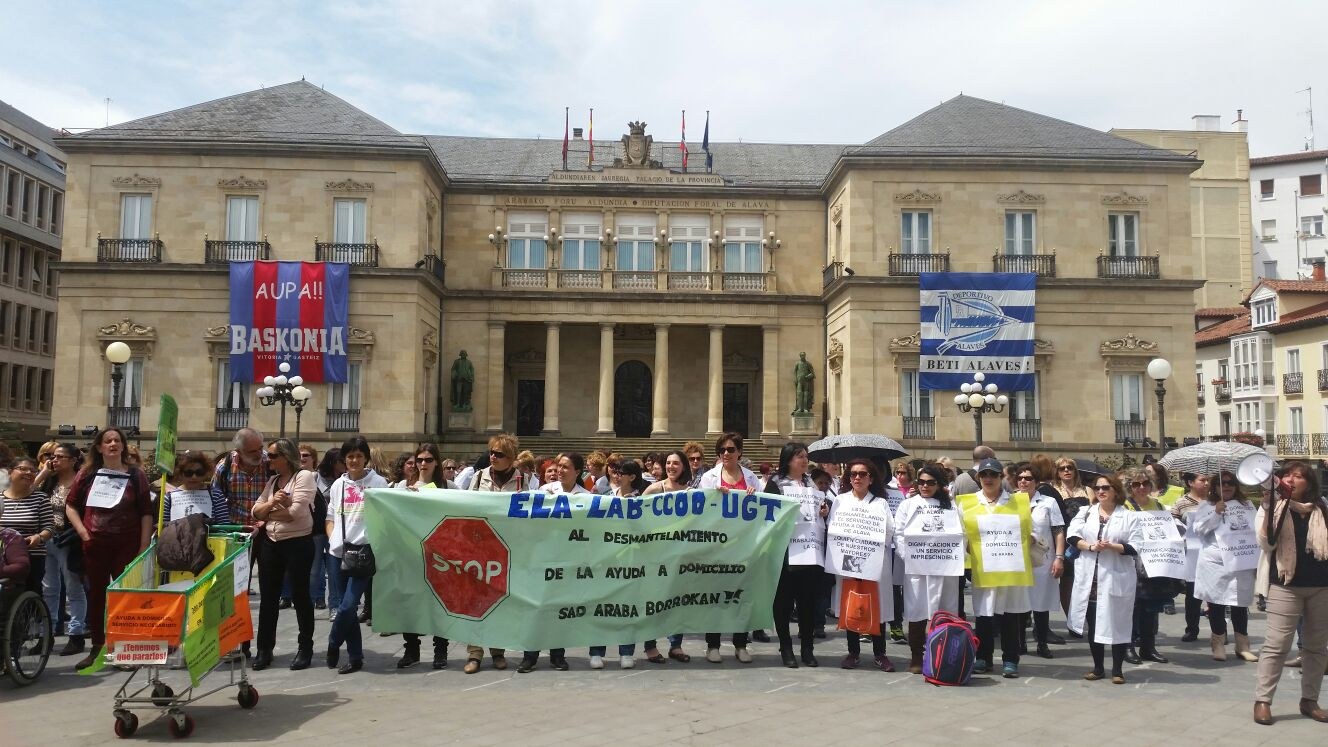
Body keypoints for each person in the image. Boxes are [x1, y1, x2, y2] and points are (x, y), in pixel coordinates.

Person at [65, 427, 154, 671]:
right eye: (108, 441)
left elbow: (147, 512)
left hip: (127, 543)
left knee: (125, 596)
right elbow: (70, 506)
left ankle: (124, 647)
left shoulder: (136, 475)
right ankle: (97, 647)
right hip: (96, 543)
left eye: (117, 440)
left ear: (123, 446)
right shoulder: (87, 474)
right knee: (96, 596)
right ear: (99, 447)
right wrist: (83, 533)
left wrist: (144, 544)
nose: (113, 444)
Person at [1253, 461, 1328, 725]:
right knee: (1276, 645)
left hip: (1320, 585)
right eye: (1288, 475)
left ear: (1309, 483)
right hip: (1285, 584)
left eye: (1299, 476)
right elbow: (1266, 543)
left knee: (1316, 647)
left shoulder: (1321, 508)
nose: (1293, 480)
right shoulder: (1271, 506)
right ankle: (1263, 700)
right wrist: (1274, 504)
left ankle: (1310, 700)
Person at [957, 458, 1030, 678]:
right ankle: (983, 657)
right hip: (982, 566)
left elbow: (1027, 532)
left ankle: (1010, 659)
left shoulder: (1017, 502)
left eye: (994, 475)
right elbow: (960, 534)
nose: (989, 479)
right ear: (979, 478)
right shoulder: (967, 503)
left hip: (1009, 566)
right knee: (984, 614)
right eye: (984, 475)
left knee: (1010, 615)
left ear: (1001, 478)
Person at [1067, 473, 1140, 684]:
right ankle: (1098, 667)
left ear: (1116, 491)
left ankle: (1117, 670)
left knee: (1117, 623)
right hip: (1091, 578)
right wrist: (1090, 546)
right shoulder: (1086, 512)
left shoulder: (1128, 516)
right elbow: (1073, 535)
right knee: (1094, 623)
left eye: (1106, 488)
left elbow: (1136, 546)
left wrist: (1112, 546)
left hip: (1116, 576)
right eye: (1098, 488)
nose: (1101, 491)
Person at [326, 435, 388, 674]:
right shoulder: (338, 485)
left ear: (366, 458)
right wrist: (333, 538)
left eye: (359, 456)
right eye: (350, 456)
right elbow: (330, 516)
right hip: (338, 552)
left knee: (347, 606)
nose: (354, 460)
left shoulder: (378, 483)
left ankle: (333, 643)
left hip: (364, 552)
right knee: (346, 608)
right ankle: (355, 656)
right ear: (344, 459)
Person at [252, 439, 316, 671]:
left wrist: (267, 513)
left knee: (300, 595)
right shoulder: (272, 481)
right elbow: (254, 510)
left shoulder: (304, 477)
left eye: (271, 455)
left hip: (298, 542)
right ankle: (264, 648)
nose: (267, 459)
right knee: (268, 597)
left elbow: (295, 513)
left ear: (285, 457)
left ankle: (305, 647)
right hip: (271, 542)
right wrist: (271, 505)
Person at [763, 442, 829, 668]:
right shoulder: (776, 483)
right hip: (786, 553)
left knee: (807, 602)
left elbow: (821, 509)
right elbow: (767, 515)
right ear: (788, 459)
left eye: (805, 456)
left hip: (810, 552)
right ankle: (786, 646)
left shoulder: (811, 483)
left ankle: (807, 648)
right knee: (783, 602)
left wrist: (823, 510)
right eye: (799, 456)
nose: (803, 460)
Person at [463, 434, 524, 674]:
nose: (493, 457)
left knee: (501, 602)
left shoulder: (524, 480)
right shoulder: (478, 477)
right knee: (476, 602)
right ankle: (474, 653)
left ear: (510, 458)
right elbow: (465, 507)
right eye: (491, 452)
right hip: (480, 548)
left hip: (508, 549)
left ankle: (498, 651)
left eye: (498, 454)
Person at [827, 458, 895, 671]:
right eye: (853, 474)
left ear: (871, 478)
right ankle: (853, 652)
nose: (857, 477)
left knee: (877, 606)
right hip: (848, 561)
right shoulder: (840, 500)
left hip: (873, 562)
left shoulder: (880, 503)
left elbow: (889, 531)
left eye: (862, 474)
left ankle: (880, 653)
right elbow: (833, 528)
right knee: (851, 604)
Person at [894, 463, 963, 673]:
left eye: (930, 482)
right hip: (917, 568)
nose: (925, 486)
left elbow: (961, 534)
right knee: (917, 611)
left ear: (939, 484)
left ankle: (943, 654)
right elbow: (899, 534)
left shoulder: (952, 507)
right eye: (921, 482)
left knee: (945, 611)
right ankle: (917, 654)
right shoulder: (908, 505)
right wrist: (911, 557)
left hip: (944, 569)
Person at [698, 432, 760, 664]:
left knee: (742, 596)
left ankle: (741, 644)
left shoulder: (752, 478)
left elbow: (762, 511)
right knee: (715, 597)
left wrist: (755, 498)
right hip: (717, 547)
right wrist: (714, 496)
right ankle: (712, 644)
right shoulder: (709, 478)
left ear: (740, 452)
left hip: (744, 547)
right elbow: (701, 509)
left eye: (731, 449)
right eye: (722, 449)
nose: (726, 453)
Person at [1193, 470, 1259, 662]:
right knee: (1216, 604)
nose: (1227, 486)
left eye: (1231, 483)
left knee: (1240, 604)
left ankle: (1242, 645)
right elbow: (1200, 531)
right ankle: (1218, 644)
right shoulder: (1207, 506)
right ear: (1214, 487)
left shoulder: (1246, 506)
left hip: (1241, 561)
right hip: (1216, 564)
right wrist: (1216, 513)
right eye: (1222, 483)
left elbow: (1255, 530)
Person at [400, 442, 450, 669]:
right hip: (412, 552)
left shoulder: (450, 487)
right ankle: (412, 649)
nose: (422, 464)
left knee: (440, 603)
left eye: (428, 460)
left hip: (441, 554)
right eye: (419, 459)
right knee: (411, 602)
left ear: (436, 462)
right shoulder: (403, 485)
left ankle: (441, 651)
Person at [641, 451, 693, 664]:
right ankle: (650, 646)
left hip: (679, 554)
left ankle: (676, 645)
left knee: (677, 600)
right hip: (655, 553)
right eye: (669, 463)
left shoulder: (691, 492)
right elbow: (638, 517)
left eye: (676, 463)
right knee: (652, 599)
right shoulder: (654, 489)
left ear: (683, 467)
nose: (672, 467)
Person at [39, 443, 88, 656]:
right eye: (52, 457)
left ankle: (76, 635)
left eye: (59, 456)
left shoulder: (82, 483)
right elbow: (27, 493)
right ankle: (47, 634)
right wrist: (42, 473)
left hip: (68, 541)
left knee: (73, 588)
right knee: (49, 588)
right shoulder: (49, 481)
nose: (54, 460)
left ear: (72, 460)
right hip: (47, 539)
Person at [1017, 463, 1065, 659]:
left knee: (1041, 602)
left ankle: (1042, 643)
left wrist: (1059, 557)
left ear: (1036, 482)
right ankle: (1020, 643)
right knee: (1019, 602)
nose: (1023, 481)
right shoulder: (1010, 501)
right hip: (1017, 558)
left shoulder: (1048, 502)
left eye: (1028, 478)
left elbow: (1058, 530)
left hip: (1043, 558)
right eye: (1020, 478)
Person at [1, 457, 53, 595]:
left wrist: (39, 537)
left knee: (31, 592)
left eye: (32, 470)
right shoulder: (0, 498)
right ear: (10, 472)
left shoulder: (41, 498)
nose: (29, 473)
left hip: (32, 554)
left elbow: (49, 527)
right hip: (3, 555)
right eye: (23, 469)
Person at [1170, 471, 1209, 643]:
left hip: (1212, 553)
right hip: (1191, 554)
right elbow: (1172, 525)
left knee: (1215, 594)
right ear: (1191, 483)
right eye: (1202, 480)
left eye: (1208, 480)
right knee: (1192, 595)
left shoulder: (1215, 501)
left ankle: (1219, 630)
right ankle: (1191, 629)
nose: (1207, 483)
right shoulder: (1181, 503)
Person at [1054, 457, 1091, 628]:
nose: (1066, 471)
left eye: (1070, 468)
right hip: (1064, 539)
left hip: (1084, 540)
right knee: (1067, 581)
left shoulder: (1087, 490)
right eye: (1062, 468)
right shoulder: (1054, 490)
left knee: (1085, 580)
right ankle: (1072, 621)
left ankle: (1085, 616)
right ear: (1058, 472)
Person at [212, 427, 270, 529]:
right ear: (239, 452)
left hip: (266, 528)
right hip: (236, 529)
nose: (258, 454)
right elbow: (215, 499)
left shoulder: (270, 464)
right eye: (252, 451)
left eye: (260, 448)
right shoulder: (225, 467)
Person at [312, 449, 344, 617]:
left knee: (333, 570)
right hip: (317, 528)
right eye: (341, 460)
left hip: (335, 528)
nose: (345, 464)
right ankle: (311, 602)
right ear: (333, 461)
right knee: (314, 569)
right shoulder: (315, 477)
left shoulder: (345, 479)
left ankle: (334, 606)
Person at [162, 451, 231, 524]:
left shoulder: (216, 495)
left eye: (199, 472)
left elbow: (224, 526)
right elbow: (165, 527)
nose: (194, 477)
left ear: (206, 473)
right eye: (189, 473)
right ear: (180, 474)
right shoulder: (169, 498)